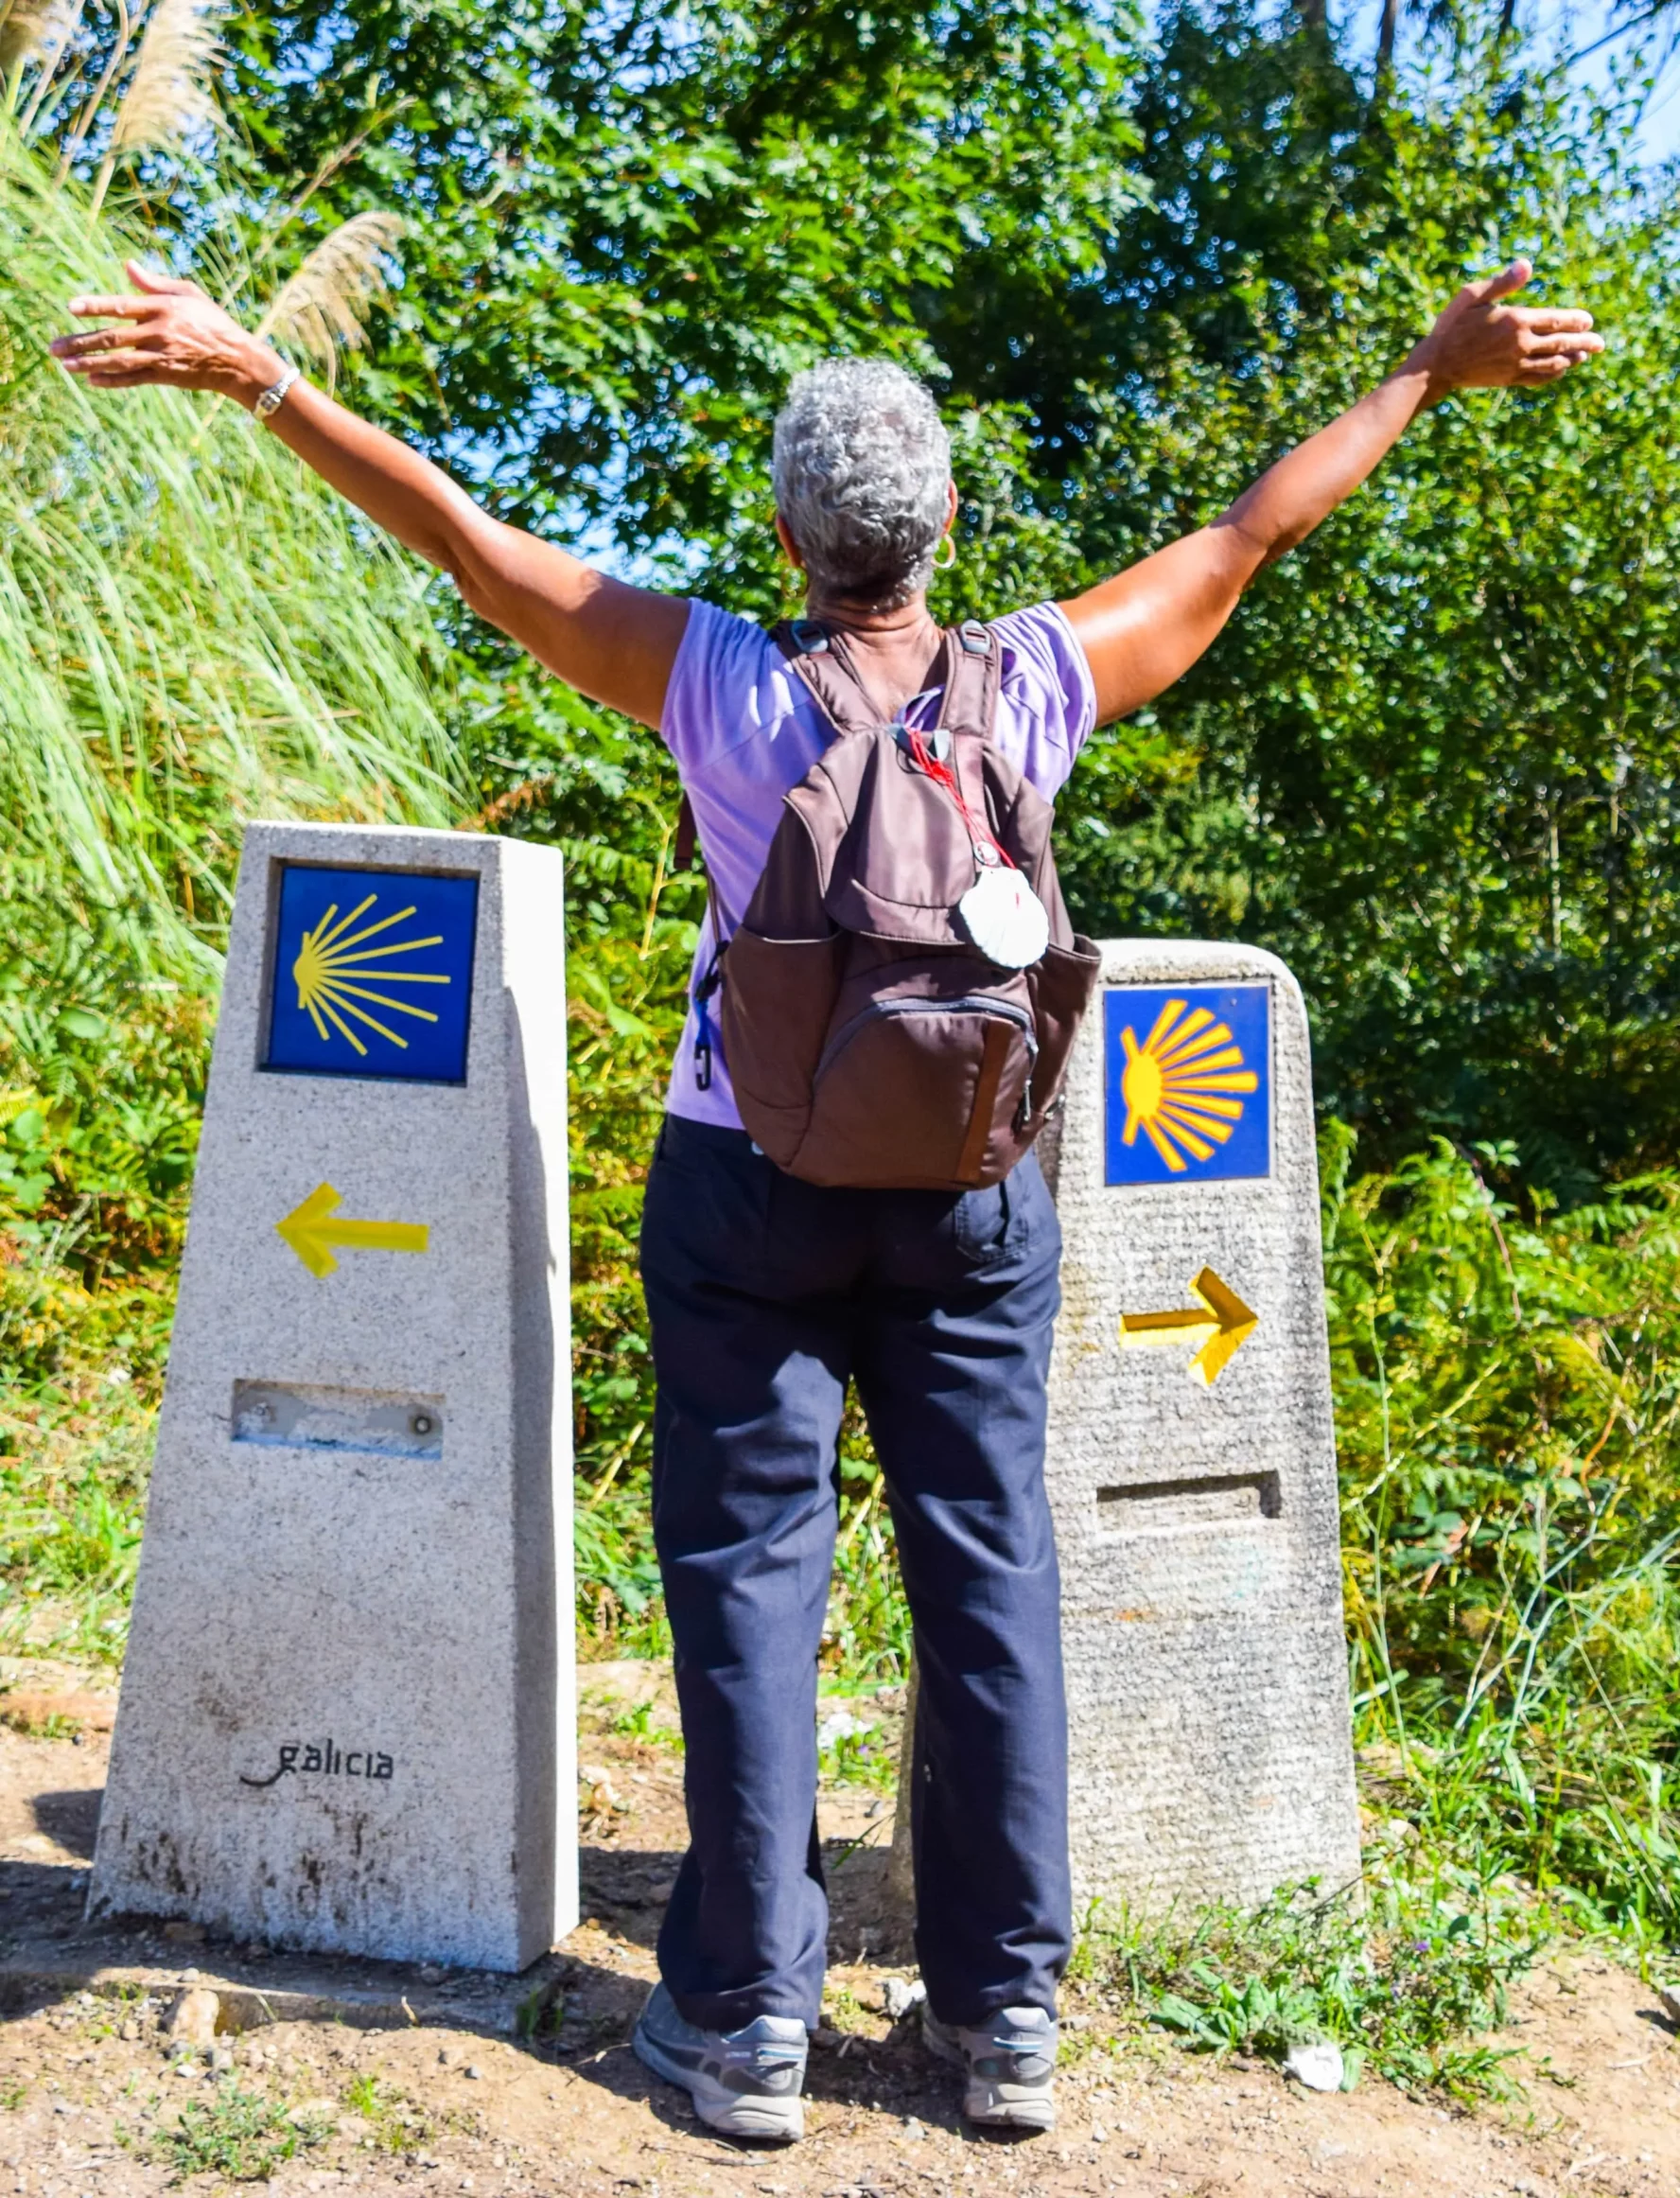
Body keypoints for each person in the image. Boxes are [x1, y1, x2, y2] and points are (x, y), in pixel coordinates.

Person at [54, 255, 1601, 2143]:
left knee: (747, 1582)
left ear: (790, 534)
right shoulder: (1036, 678)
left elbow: (468, 543)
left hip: (751, 1180)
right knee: (986, 1571)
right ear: (942, 524)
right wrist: (1426, 377)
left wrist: (257, 381)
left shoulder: (714, 678)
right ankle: (1001, 2018)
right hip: (972, 1193)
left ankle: (743, 2022)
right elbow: (1241, 538)